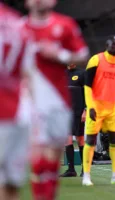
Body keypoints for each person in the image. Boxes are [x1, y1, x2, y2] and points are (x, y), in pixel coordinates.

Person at [24, 0, 89, 199]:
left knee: (52, 157)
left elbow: (83, 54)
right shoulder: (19, 28)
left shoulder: (65, 24)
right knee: (37, 155)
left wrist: (59, 54)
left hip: (59, 103)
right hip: (31, 102)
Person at [82, 35, 115, 186]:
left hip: (112, 108)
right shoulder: (95, 60)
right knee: (90, 141)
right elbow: (87, 86)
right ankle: (86, 176)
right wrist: (90, 106)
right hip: (96, 107)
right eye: (114, 44)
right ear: (107, 44)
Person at [0, 3, 34, 200]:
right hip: (18, 113)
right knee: (10, 186)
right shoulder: (18, 23)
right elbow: (28, 74)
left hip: (10, 112)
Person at [60, 64, 86, 177]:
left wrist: (85, 109)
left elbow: (87, 93)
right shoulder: (62, 73)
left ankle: (85, 169)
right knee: (68, 139)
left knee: (80, 138)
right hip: (66, 112)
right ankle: (71, 169)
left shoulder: (82, 73)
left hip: (79, 112)